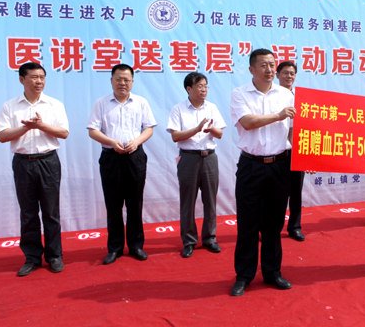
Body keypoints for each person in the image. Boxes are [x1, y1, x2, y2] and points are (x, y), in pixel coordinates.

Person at [229, 48, 296, 296]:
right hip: (251, 166)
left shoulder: (286, 94)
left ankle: (272, 272)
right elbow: (247, 122)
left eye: (272, 64)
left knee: (274, 223)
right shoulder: (239, 94)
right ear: (252, 69)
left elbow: (293, 129)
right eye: (264, 65)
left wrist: (304, 155)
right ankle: (244, 275)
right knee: (247, 223)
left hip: (279, 165)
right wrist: (277, 116)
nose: (269, 69)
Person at [0, 62, 69, 276]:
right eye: (34, 77)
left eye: (42, 77)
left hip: (48, 161)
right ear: (22, 79)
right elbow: (2, 136)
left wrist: (40, 125)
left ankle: (54, 256)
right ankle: (32, 258)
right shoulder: (10, 106)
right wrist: (25, 128)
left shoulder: (54, 104)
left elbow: (64, 133)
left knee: (51, 211)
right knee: (28, 212)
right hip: (23, 163)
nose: (39, 81)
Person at [87, 64, 157, 265]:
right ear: (111, 81)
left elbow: (149, 128)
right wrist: (111, 142)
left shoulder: (141, 102)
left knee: (135, 203)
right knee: (113, 204)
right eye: (118, 79)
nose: (122, 83)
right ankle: (115, 247)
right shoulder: (101, 103)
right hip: (111, 157)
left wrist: (137, 141)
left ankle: (136, 245)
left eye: (126, 79)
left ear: (132, 82)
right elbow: (93, 130)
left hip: (135, 157)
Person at [167, 72, 226, 258]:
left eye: (205, 86)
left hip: (209, 158)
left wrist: (210, 128)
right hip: (188, 158)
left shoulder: (212, 107)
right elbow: (175, 136)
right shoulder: (178, 109)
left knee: (210, 200)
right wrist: (197, 129)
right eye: (199, 86)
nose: (203, 90)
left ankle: (210, 238)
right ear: (189, 89)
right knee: (188, 201)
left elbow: (219, 134)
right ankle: (189, 241)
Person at [276, 61, 305, 242]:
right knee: (276, 193)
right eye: (285, 73)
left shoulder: (302, 97)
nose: (289, 76)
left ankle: (295, 226)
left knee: (296, 191)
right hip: (277, 150)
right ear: (277, 75)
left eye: (292, 73)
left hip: (297, 150)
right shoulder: (272, 96)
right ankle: (273, 227)